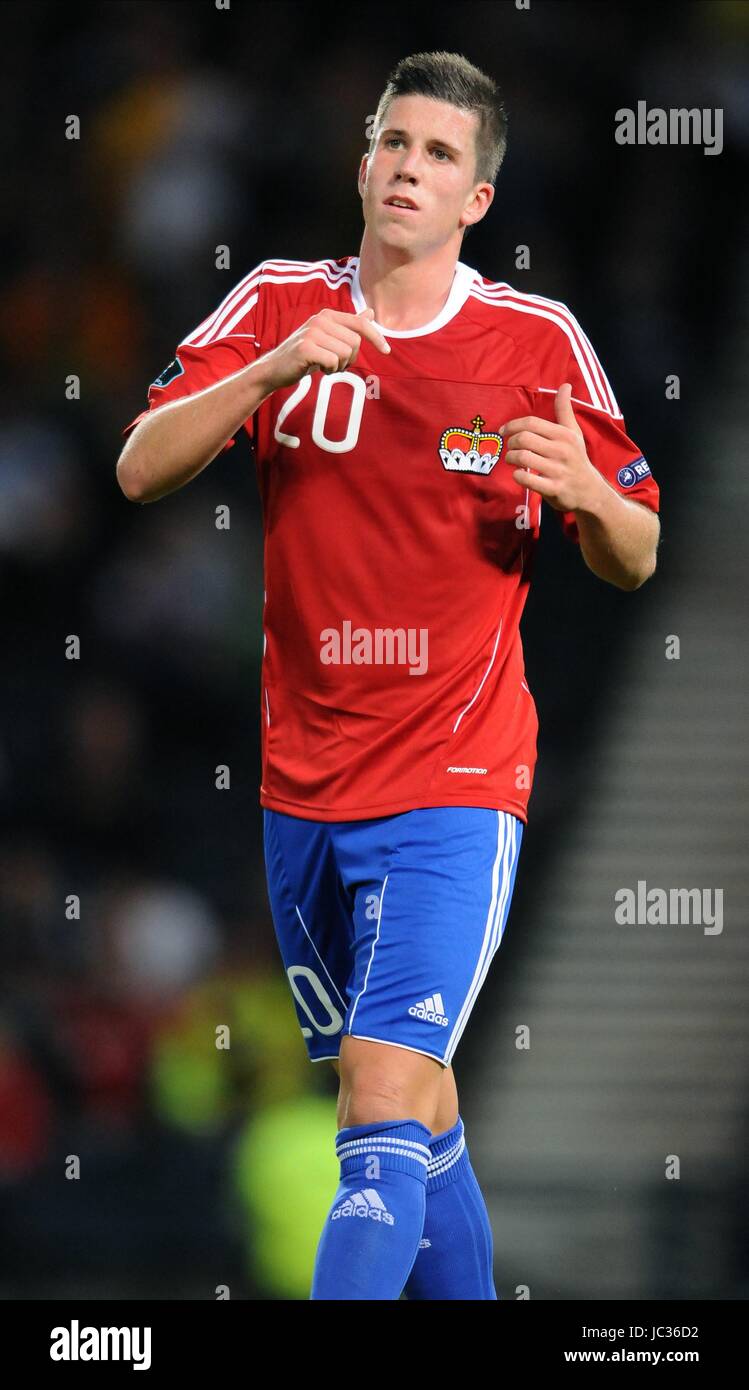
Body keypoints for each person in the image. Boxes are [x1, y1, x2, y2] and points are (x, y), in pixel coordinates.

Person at [117, 50, 661, 1300]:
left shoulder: (533, 341)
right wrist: (266, 374)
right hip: (303, 784)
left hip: (455, 780)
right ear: (362, 158)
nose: (407, 169)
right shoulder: (271, 305)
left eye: (438, 156)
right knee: (416, 1106)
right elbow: (140, 468)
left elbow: (636, 547)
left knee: (375, 1089)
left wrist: (585, 496)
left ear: (476, 199)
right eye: (392, 143)